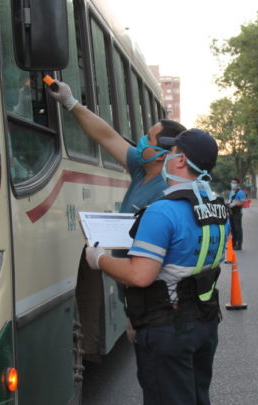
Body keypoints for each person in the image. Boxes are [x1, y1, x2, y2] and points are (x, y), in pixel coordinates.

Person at [84, 129, 229, 404]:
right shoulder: (218, 208)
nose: (166, 157)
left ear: (180, 161)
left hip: (168, 328)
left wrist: (99, 259)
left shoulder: (162, 211)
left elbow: (140, 275)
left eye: (171, 152)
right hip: (204, 323)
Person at [48, 79, 186, 343]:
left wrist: (99, 259)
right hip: (139, 300)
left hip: (157, 303)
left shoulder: (167, 191)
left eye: (148, 137)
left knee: (162, 377)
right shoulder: (141, 168)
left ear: (161, 153)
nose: (140, 141)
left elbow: (152, 266)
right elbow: (106, 135)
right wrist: (70, 103)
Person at [228, 178, 246, 250]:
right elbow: (230, 200)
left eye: (234, 183)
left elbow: (242, 202)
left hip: (237, 213)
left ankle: (239, 245)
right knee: (232, 229)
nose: (233, 184)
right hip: (231, 212)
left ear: (238, 184)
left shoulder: (240, 192)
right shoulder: (231, 192)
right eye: (232, 183)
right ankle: (233, 243)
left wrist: (235, 204)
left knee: (238, 229)